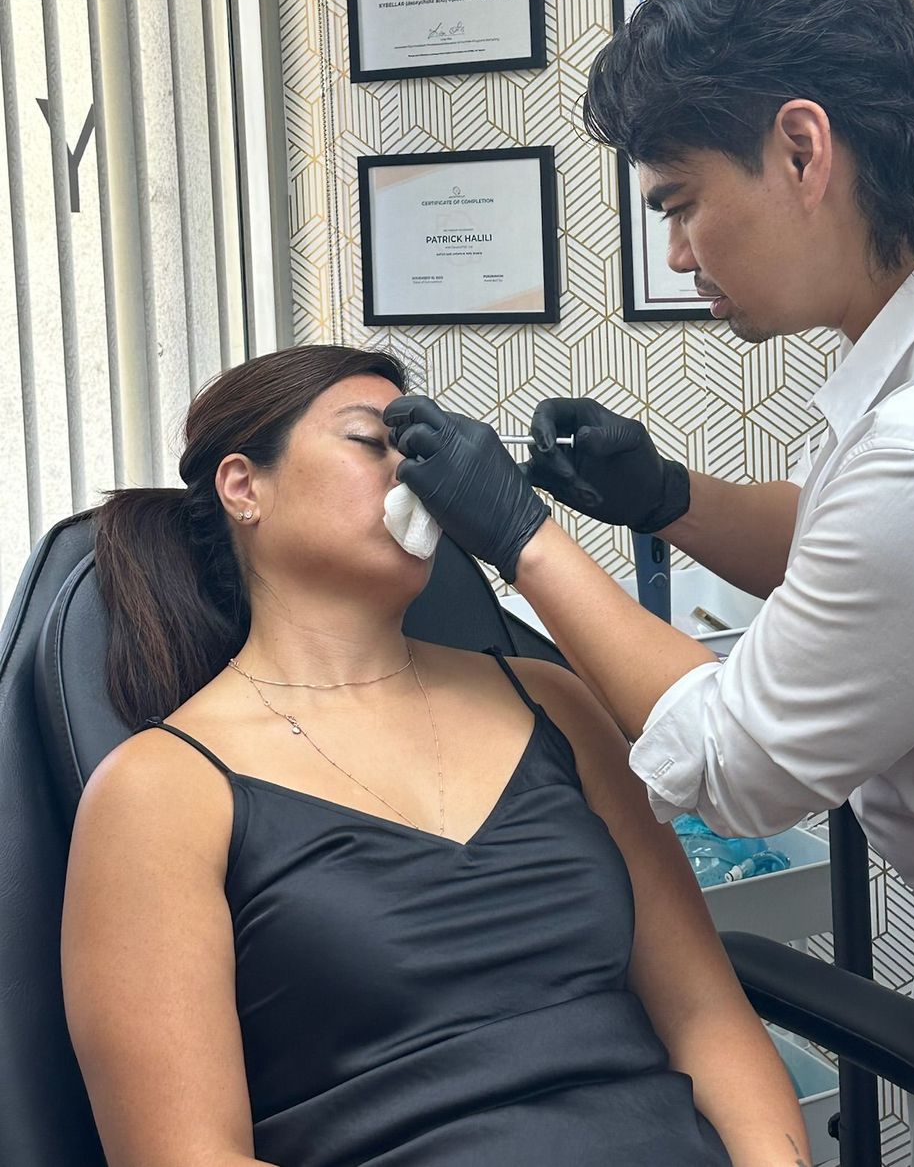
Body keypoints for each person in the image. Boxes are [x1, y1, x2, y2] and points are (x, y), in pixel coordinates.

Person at [383, 0, 914, 1167]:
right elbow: (888, 572)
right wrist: (668, 496)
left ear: (801, 148)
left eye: (681, 204)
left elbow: (737, 764)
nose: (677, 254)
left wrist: (524, 539)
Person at [61, 344, 809, 1167]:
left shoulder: (553, 702)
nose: (416, 474)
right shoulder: (161, 790)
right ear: (245, 487)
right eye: (370, 442)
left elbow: (705, 1013)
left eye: (420, 448)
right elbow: (185, 1155)